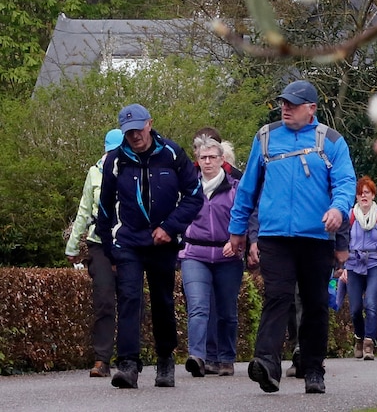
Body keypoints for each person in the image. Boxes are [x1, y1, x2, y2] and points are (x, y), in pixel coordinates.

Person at [228, 79, 357, 395]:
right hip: (275, 237)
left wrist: (339, 210)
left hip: (316, 237)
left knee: (314, 303)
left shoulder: (332, 141)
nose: (285, 108)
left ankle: (313, 369)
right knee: (278, 297)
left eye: (293, 104)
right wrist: (237, 231)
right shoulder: (266, 137)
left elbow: (345, 183)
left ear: (311, 109)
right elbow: (247, 188)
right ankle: (267, 365)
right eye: (283, 102)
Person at [96, 104, 203, 389]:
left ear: (150, 124)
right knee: (130, 298)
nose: (135, 136)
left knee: (162, 301)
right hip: (129, 242)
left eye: (138, 129)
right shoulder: (115, 162)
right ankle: (128, 365)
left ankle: (165, 358)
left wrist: (170, 228)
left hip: (162, 243)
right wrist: (109, 250)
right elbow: (104, 209)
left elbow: (194, 196)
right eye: (129, 132)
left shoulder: (172, 154)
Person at [181, 134, 244, 378]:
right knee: (198, 307)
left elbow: (244, 217)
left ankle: (226, 357)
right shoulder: (187, 187)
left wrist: (237, 240)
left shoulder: (234, 187)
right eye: (203, 157)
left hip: (227, 254)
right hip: (194, 253)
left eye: (212, 157)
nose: (207, 161)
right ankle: (198, 356)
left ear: (221, 159)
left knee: (227, 310)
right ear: (197, 160)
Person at [65, 128, 123, 378]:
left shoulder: (134, 171)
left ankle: (131, 357)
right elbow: (84, 208)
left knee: (132, 299)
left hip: (128, 242)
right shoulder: (94, 172)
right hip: (99, 242)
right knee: (104, 299)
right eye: (110, 151)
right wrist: (72, 246)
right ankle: (102, 359)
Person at [344, 176, 377, 361]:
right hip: (353, 264)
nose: (363, 196)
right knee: (356, 309)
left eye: (367, 192)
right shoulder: (351, 215)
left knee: (372, 305)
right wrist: (341, 266)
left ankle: (369, 343)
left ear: (373, 195)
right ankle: (359, 337)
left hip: (375, 262)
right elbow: (343, 242)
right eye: (360, 193)